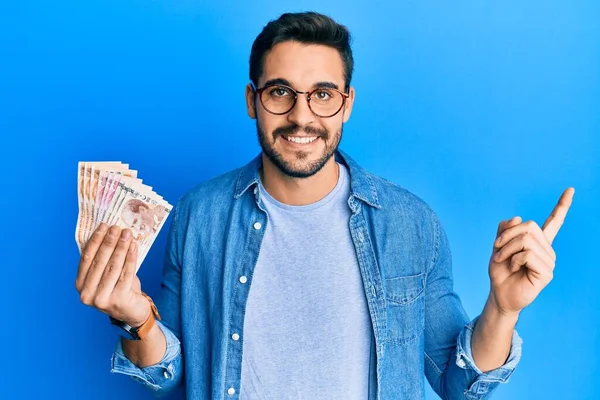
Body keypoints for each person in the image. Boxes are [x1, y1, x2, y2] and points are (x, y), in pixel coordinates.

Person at [74, 11, 574, 400]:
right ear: (252, 100)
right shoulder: (198, 215)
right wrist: (136, 318)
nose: (301, 116)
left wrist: (503, 310)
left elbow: (457, 383)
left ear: (347, 104)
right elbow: (167, 373)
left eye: (322, 94)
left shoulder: (411, 224)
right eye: (280, 93)